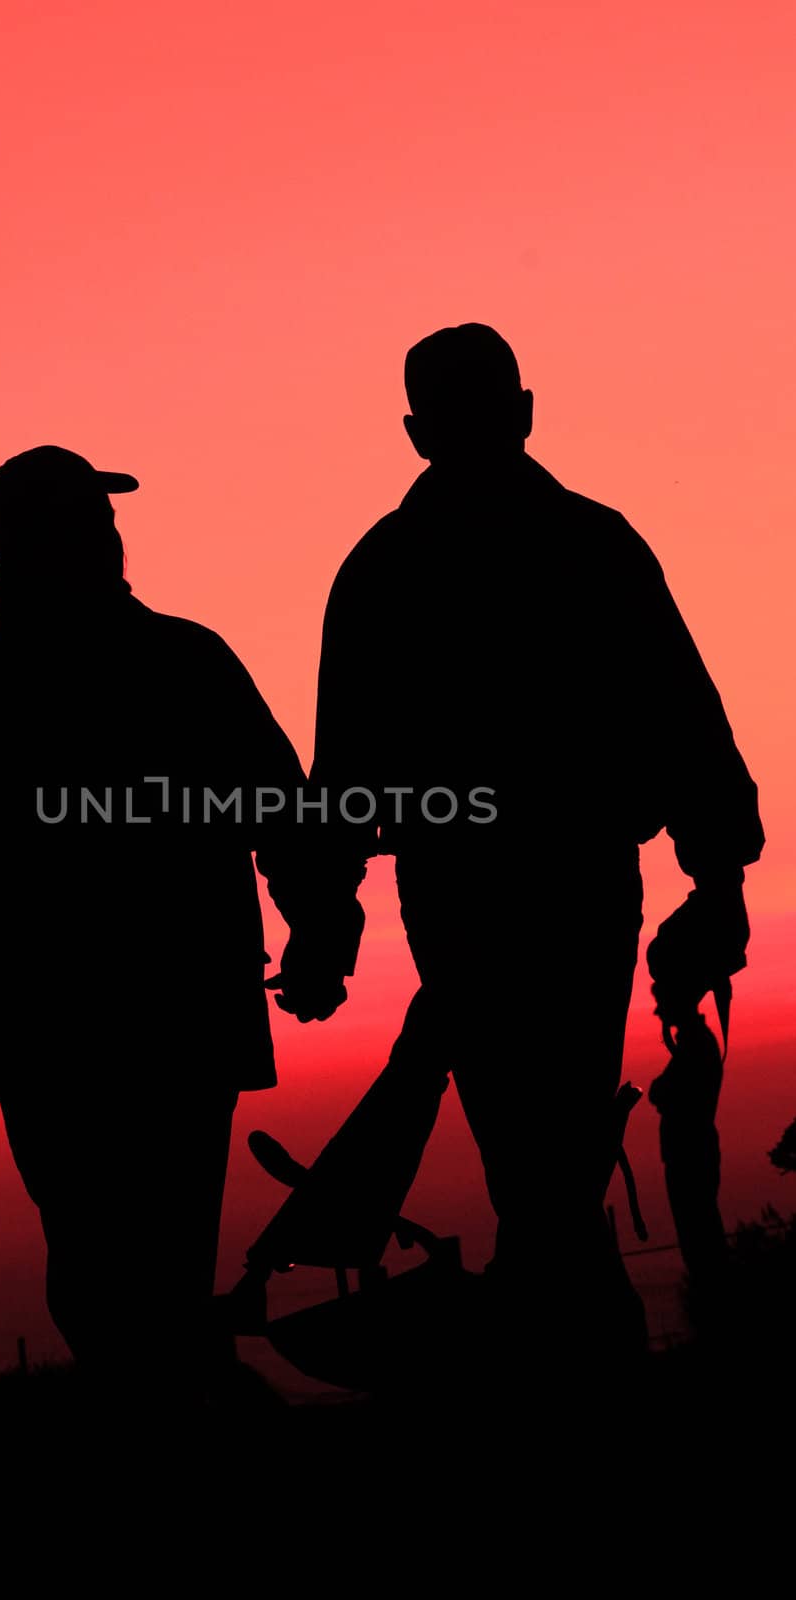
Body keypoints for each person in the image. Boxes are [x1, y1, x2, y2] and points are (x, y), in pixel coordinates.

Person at [271, 324, 764, 1359]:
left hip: (467, 895)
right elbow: (684, 721)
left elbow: (343, 778)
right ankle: (580, 1357)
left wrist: (323, 917)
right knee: (555, 1153)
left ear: (415, 434)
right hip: (575, 885)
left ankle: (563, 1364)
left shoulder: (383, 571)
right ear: (525, 411)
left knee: (534, 1155)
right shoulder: (590, 542)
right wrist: (714, 879)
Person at [0, 445, 333, 1406]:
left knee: (111, 1263)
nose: (105, 537)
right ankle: (163, 1435)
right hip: (140, 1013)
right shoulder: (173, 659)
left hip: (76, 1020)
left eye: (103, 521)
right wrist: (316, 927)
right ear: (30, 545)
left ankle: (150, 1439)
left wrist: (319, 926)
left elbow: (278, 811)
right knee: (129, 1263)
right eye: (87, 522)